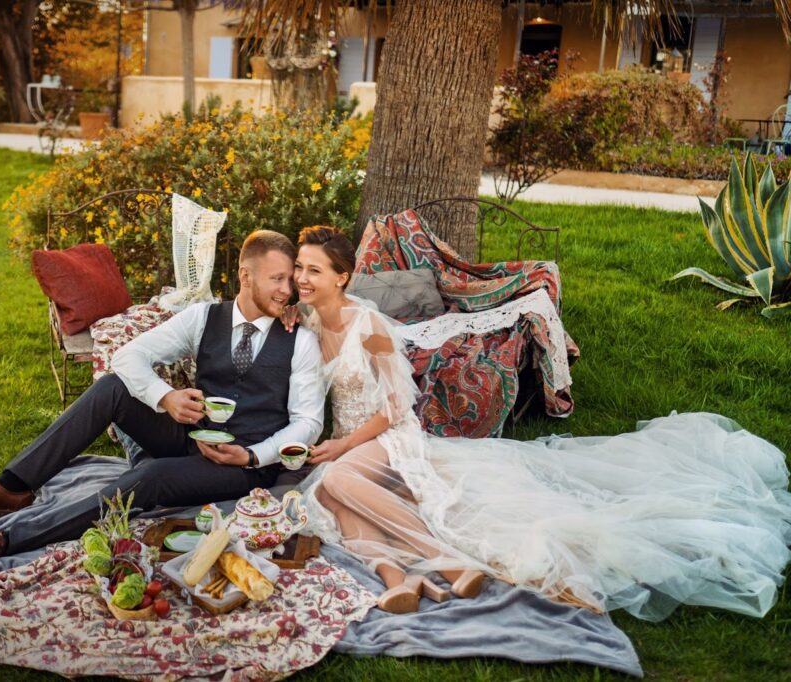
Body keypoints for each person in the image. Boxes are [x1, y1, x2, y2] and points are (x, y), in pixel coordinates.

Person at [290, 225, 791, 620]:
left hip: (385, 434)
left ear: (342, 277)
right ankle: (398, 579)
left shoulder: (370, 327)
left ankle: (453, 561)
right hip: (349, 445)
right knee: (328, 498)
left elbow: (398, 406)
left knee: (336, 478)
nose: (302, 279)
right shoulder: (308, 320)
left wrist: (342, 446)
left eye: (314, 270)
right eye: (298, 269)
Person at [0, 230, 324, 575]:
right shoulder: (203, 318)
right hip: (191, 436)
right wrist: (166, 397)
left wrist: (253, 456)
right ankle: (13, 486)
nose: (286, 290)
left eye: (290, 280)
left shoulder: (299, 340)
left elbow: (308, 422)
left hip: (245, 467)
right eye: (277, 278)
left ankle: (9, 540)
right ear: (245, 275)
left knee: (148, 479)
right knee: (113, 387)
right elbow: (127, 357)